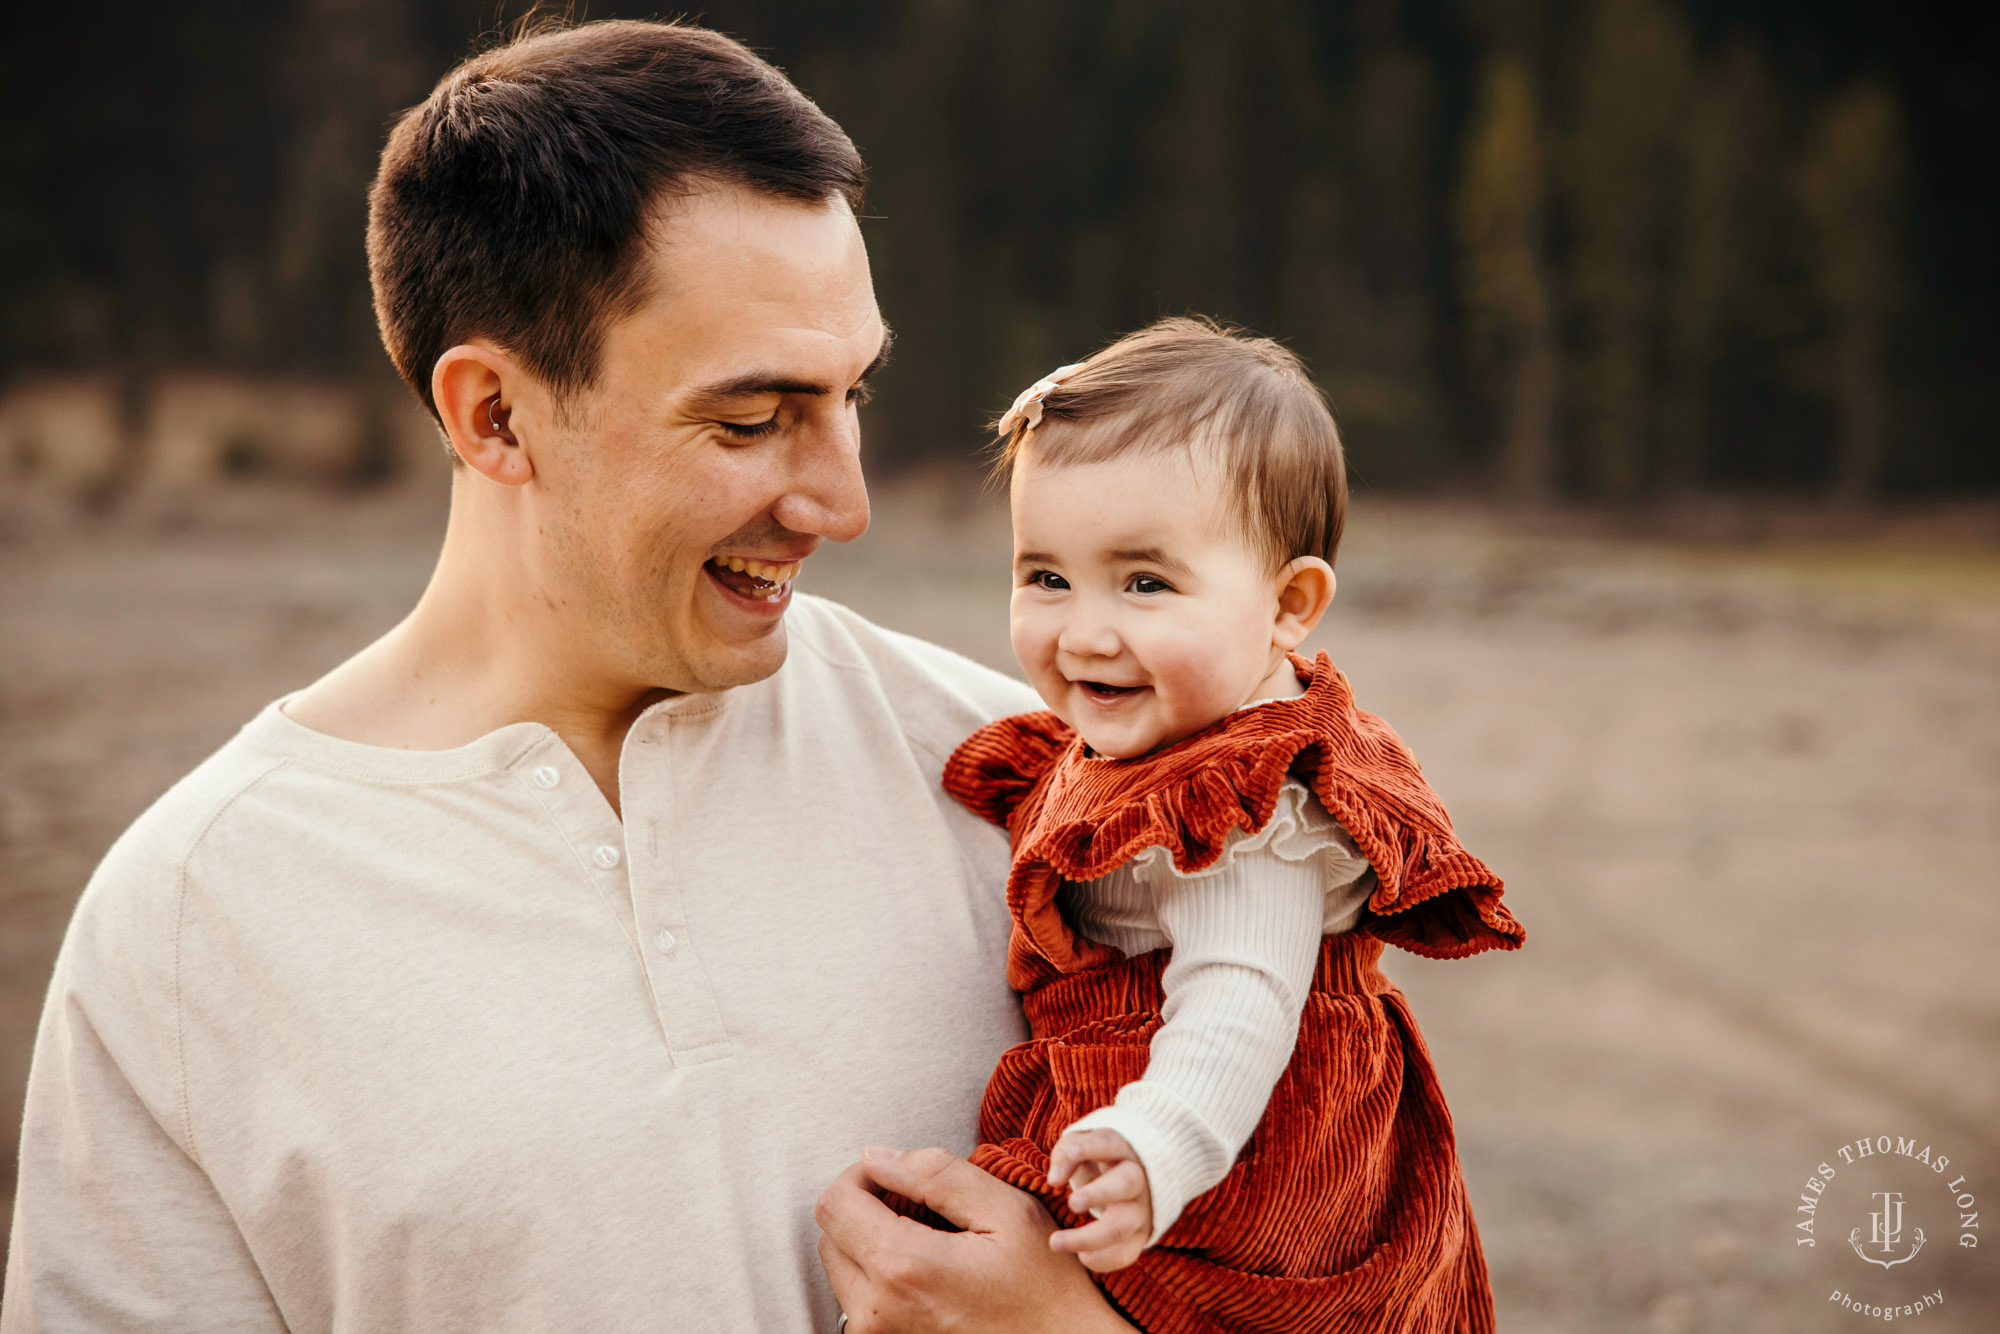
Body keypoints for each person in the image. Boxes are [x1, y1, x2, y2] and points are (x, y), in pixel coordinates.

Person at [2, 20, 1135, 1333]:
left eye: (852, 397)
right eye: (754, 418)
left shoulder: (1041, 783)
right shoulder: (195, 917)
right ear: (495, 414)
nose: (843, 500)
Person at [940, 318, 1526, 1332]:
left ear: (1287, 605)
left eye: (1145, 581)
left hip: (1243, 1152)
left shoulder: (1245, 819)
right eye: (1044, 575)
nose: (1084, 629)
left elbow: (1238, 1001)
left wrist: (1156, 1143)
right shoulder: (1153, 738)